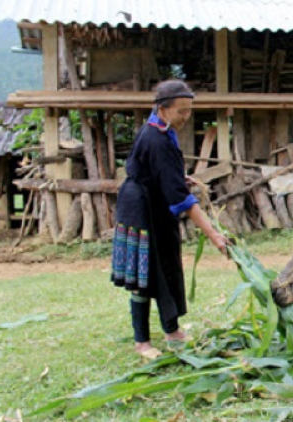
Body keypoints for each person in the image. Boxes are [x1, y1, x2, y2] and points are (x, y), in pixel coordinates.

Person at [111, 79, 228, 359]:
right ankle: (142, 342)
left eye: (189, 111)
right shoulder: (155, 138)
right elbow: (182, 201)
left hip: (157, 204)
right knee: (145, 274)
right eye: (181, 111)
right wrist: (213, 235)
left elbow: (160, 172)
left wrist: (178, 178)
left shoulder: (161, 128)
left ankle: (172, 330)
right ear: (163, 109)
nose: (186, 117)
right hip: (141, 209)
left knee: (167, 265)